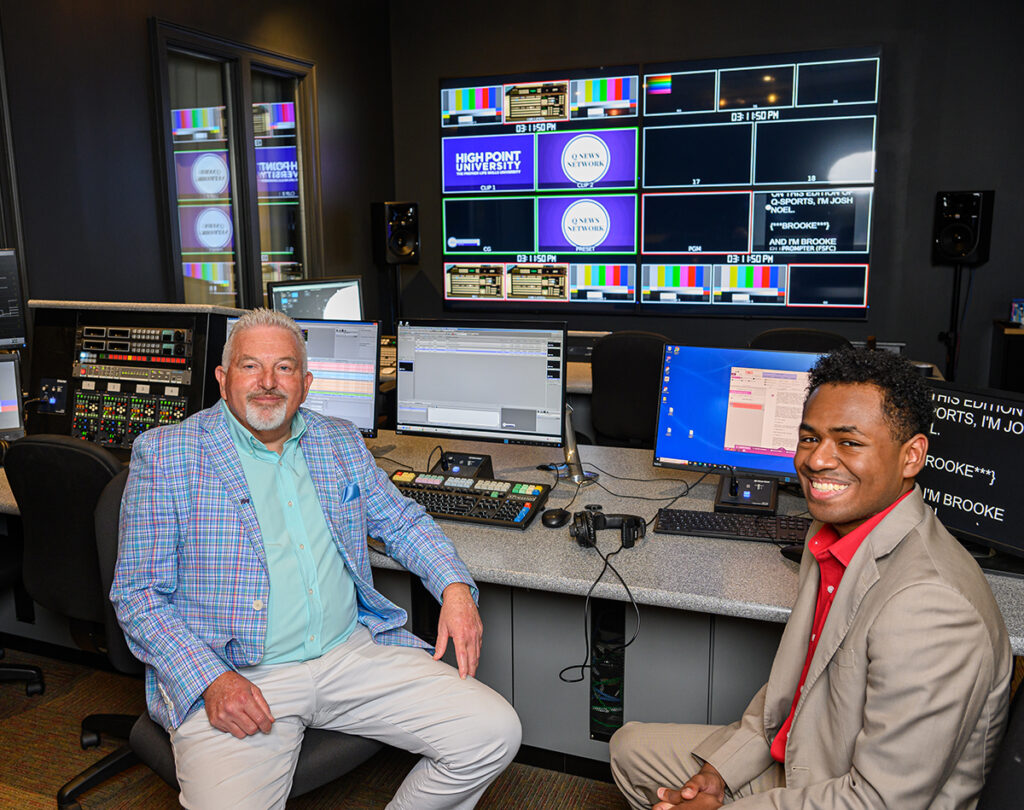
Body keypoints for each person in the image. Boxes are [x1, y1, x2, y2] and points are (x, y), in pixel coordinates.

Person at [111, 308, 521, 810]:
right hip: (238, 672)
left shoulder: (339, 440)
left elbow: (401, 521)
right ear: (222, 379)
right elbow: (137, 596)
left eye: (283, 368)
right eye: (250, 366)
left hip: (350, 653)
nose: (267, 382)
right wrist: (211, 679)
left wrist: (455, 589)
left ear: (305, 385)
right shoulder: (167, 454)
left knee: (493, 733)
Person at [609, 347, 1011, 809]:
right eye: (809, 438)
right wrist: (718, 773)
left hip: (856, 796)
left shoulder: (932, 605)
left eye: (849, 442)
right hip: (808, 757)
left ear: (911, 456)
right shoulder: (832, 532)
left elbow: (880, 801)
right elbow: (795, 689)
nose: (817, 460)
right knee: (630, 750)